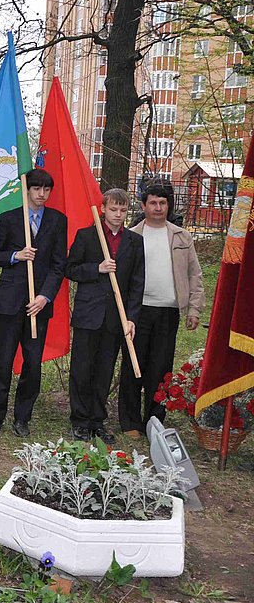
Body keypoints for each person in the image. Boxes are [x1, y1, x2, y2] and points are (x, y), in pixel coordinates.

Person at [0, 167, 67, 437]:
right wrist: (16, 256)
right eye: (37, 189)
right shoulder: (9, 218)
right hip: (9, 301)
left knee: (32, 362)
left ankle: (22, 417)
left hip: (38, 304)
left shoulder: (57, 221)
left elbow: (58, 265)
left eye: (46, 190)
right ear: (27, 189)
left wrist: (45, 296)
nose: (42, 194)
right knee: (3, 359)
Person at [121, 183, 204, 437]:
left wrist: (194, 309)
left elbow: (195, 274)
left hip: (168, 311)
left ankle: (154, 421)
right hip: (137, 312)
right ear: (144, 205)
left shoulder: (181, 236)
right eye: (153, 203)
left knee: (161, 368)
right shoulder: (132, 235)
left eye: (163, 203)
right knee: (133, 365)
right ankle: (130, 422)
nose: (158, 208)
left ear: (168, 205)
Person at [66, 188, 144, 444]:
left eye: (123, 210)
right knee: (82, 368)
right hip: (89, 313)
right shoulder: (88, 236)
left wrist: (130, 317)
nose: (118, 214)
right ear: (103, 209)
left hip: (116, 317)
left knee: (104, 370)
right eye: (113, 209)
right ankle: (79, 420)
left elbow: (136, 283)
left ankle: (96, 420)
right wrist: (96, 268)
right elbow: (71, 269)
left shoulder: (134, 241)